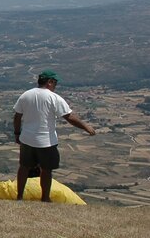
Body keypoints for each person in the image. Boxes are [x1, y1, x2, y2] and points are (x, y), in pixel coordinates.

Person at [13, 70, 96, 202]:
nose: (55, 85)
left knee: (24, 167)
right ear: (50, 82)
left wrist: (17, 133)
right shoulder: (54, 97)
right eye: (55, 82)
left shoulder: (25, 95)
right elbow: (69, 117)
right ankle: (45, 198)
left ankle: (19, 197)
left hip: (27, 139)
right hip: (46, 141)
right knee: (46, 170)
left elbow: (17, 117)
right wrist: (86, 127)